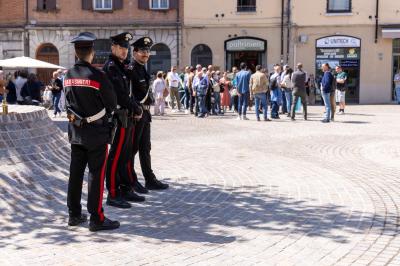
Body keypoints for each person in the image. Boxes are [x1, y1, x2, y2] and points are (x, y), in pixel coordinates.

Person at [64, 32, 119, 232]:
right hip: (96, 133)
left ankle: (74, 214)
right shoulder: (98, 76)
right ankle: (96, 218)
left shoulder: (67, 75)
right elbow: (112, 104)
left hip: (76, 132)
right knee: (96, 175)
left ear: (76, 52)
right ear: (92, 53)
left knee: (75, 174)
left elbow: (68, 103)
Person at [104, 32, 145, 209]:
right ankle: (113, 192)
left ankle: (125, 187)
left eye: (126, 48)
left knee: (126, 155)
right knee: (116, 156)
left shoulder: (123, 66)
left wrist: (136, 106)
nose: (124, 51)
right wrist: (136, 107)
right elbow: (120, 95)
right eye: (121, 48)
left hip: (127, 117)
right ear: (113, 47)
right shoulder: (111, 67)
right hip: (119, 116)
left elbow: (133, 89)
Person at [127, 37, 169, 191]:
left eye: (147, 51)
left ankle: (149, 179)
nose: (146, 54)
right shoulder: (131, 69)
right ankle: (131, 180)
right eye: (142, 51)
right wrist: (135, 110)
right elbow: (128, 94)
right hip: (136, 115)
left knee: (146, 147)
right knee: (132, 149)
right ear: (135, 52)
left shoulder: (142, 68)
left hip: (145, 114)